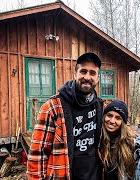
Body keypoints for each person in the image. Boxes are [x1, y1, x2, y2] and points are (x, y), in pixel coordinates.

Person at [27, 52, 104, 180]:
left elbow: (120, 131)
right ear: (75, 75)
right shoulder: (52, 107)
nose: (87, 77)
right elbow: (37, 154)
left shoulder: (101, 107)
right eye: (83, 71)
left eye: (92, 73)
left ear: (97, 78)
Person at [100, 100, 140, 180]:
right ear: (104, 116)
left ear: (123, 122)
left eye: (118, 118)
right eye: (109, 115)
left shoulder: (131, 144)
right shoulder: (98, 139)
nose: (112, 121)